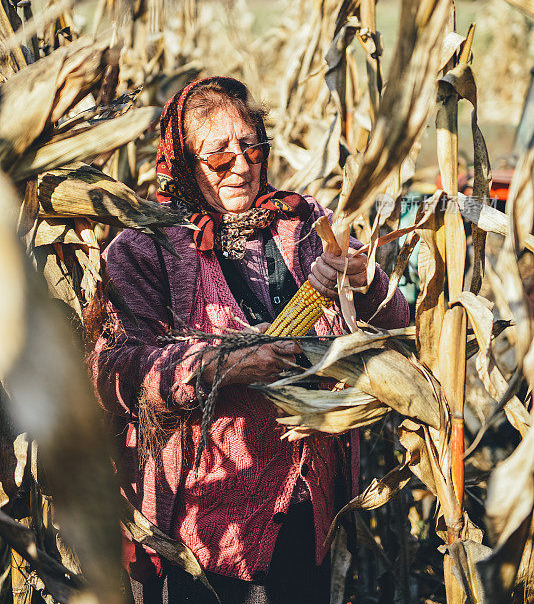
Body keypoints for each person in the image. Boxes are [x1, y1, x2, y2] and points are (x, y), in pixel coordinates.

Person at [92, 77, 409, 604]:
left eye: (252, 148)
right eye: (218, 156)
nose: (241, 165)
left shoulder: (305, 222)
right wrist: (227, 365)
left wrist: (363, 278)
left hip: (310, 516)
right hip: (207, 526)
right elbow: (113, 372)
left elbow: (394, 324)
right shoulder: (145, 248)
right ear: (182, 162)